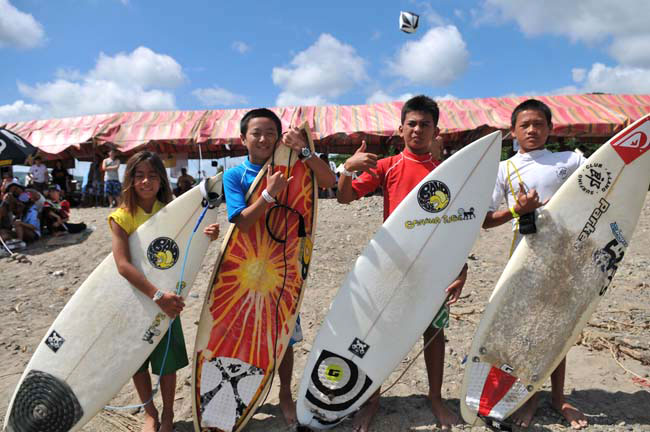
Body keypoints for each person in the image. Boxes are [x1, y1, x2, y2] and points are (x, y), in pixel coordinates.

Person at [336, 95, 468, 431]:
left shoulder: (447, 173)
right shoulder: (387, 166)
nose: (418, 130)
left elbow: (459, 225)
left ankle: (435, 397)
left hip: (434, 266)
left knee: (434, 331)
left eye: (425, 124)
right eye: (412, 124)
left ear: (436, 131)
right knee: (378, 333)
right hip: (392, 264)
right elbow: (344, 196)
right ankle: (371, 400)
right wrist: (347, 169)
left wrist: (462, 268)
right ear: (400, 129)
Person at [223, 108, 336, 426]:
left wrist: (305, 151)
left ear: (278, 137)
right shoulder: (235, 176)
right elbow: (243, 222)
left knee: (285, 336)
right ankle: (245, 394)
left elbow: (328, 181)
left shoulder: (295, 167)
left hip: (285, 269)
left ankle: (285, 394)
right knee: (247, 335)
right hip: (245, 271)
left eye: (270, 133)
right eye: (256, 133)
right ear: (242, 138)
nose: (263, 139)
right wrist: (269, 194)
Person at [482, 99, 588, 429]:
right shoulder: (503, 169)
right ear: (512, 131)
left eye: (539, 124)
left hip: (565, 256)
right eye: (524, 125)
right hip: (525, 255)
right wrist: (518, 210)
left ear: (550, 128)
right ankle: (528, 397)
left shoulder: (571, 160)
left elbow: (602, 189)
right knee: (525, 329)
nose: (532, 130)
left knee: (559, 327)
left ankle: (558, 397)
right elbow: (486, 220)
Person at [108, 151, 220, 432]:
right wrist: (157, 296)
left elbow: (187, 245)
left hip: (167, 298)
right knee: (137, 362)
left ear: (161, 180)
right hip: (136, 298)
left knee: (167, 362)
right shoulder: (121, 217)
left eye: (152, 175)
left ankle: (168, 413)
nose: (146, 181)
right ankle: (151, 414)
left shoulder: (173, 212)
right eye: (139, 176)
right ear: (130, 180)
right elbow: (122, 265)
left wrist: (208, 236)